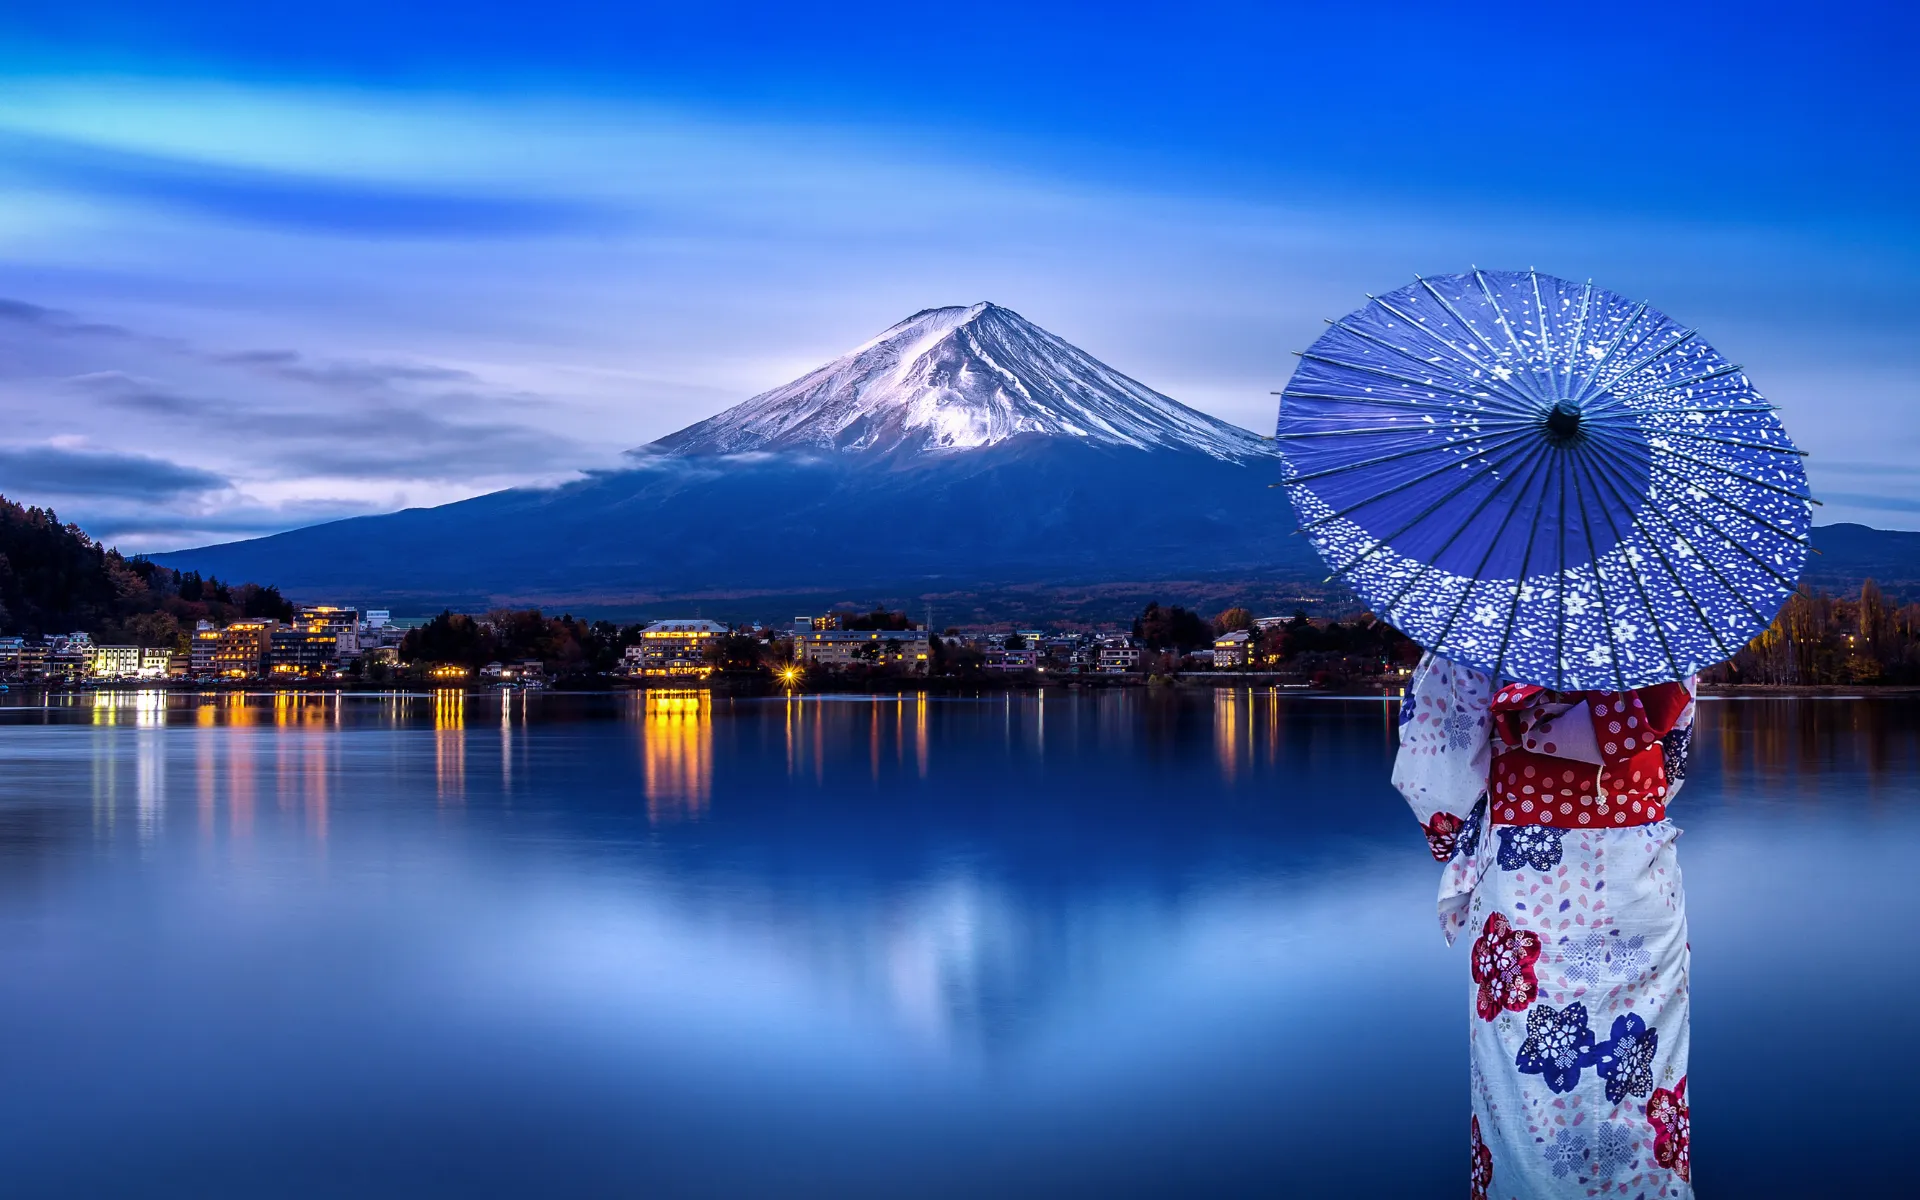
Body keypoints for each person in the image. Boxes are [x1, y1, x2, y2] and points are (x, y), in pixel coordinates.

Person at [1394, 653, 1695, 1199]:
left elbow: (1435, 770)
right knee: (1640, 1086)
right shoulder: (1657, 623)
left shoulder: (1487, 620)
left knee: (1527, 1100)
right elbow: (1672, 759)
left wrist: (1456, 837)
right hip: (1639, 882)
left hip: (1526, 891)